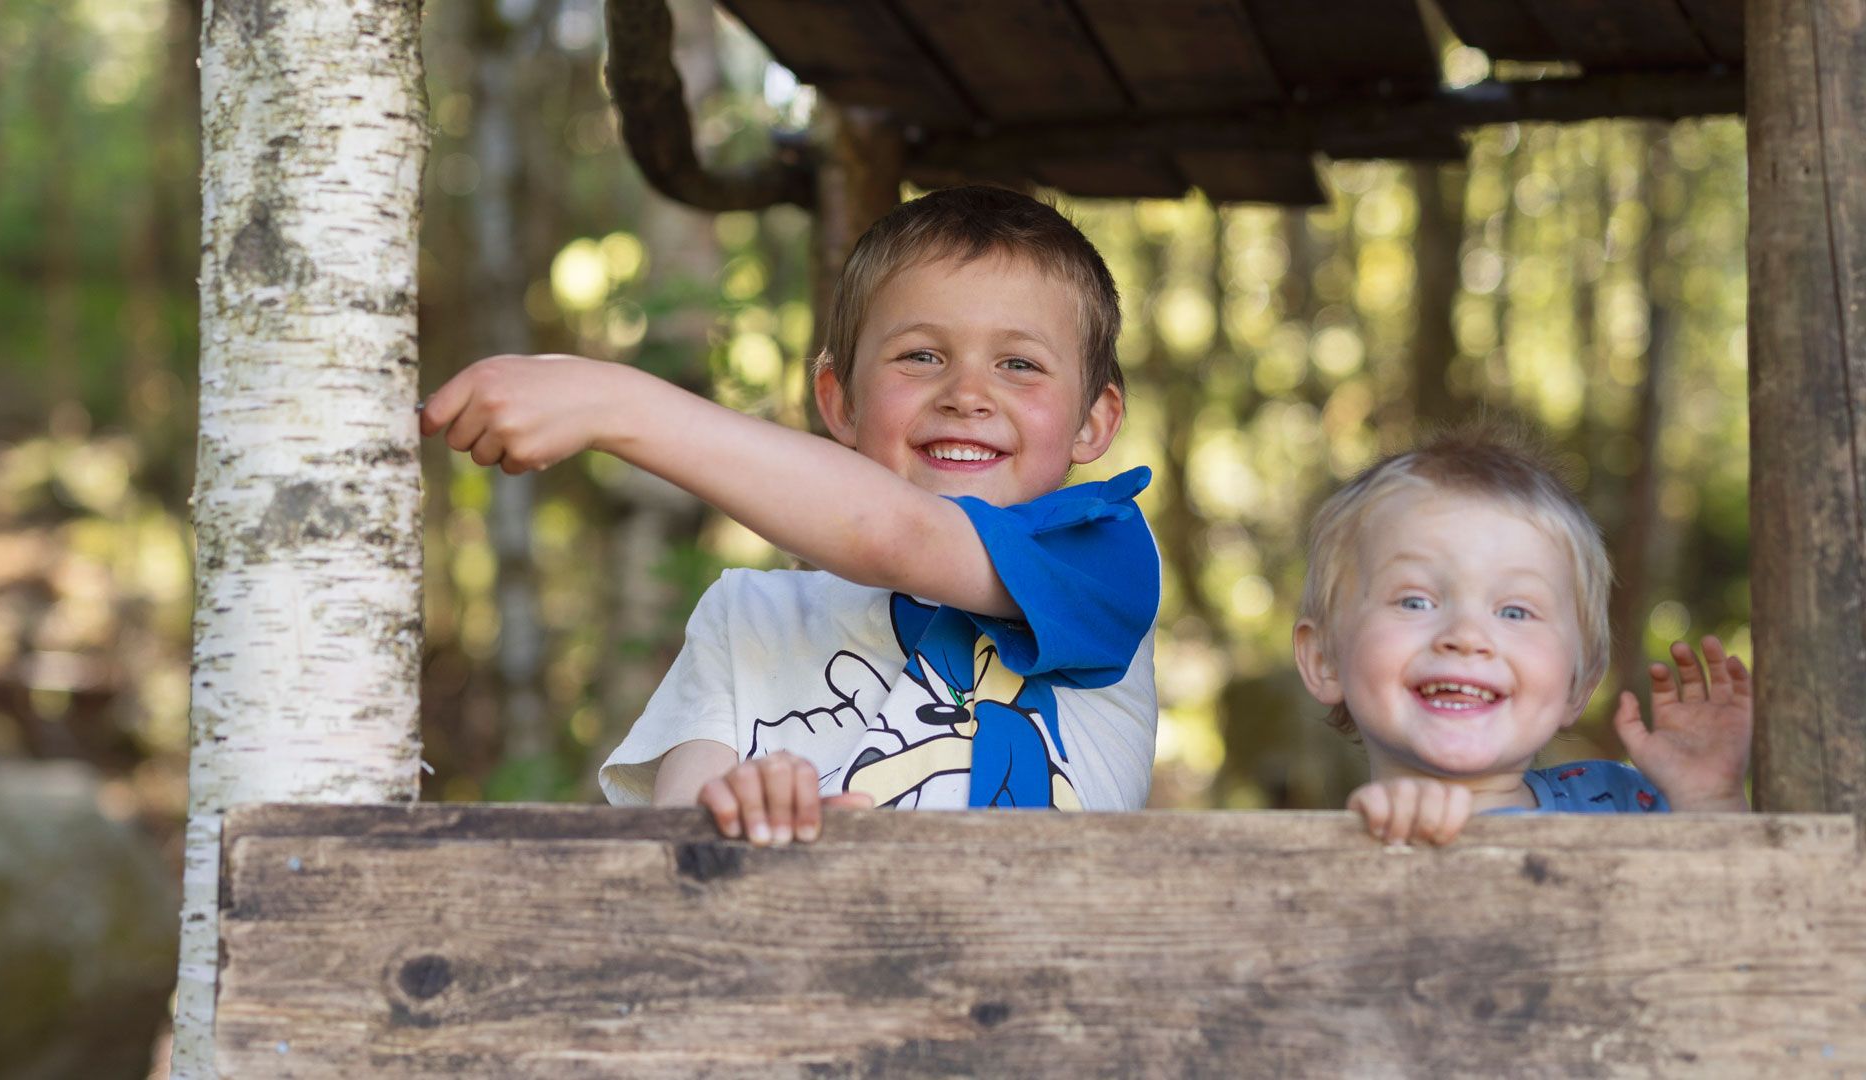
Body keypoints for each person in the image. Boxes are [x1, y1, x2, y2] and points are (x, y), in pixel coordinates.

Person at [421, 186, 1158, 846]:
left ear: (1094, 423)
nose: (967, 394)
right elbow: (669, 854)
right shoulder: (746, 616)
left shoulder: (1099, 552)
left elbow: (896, 533)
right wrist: (732, 820)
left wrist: (613, 403)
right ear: (838, 399)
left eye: (1019, 364)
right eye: (922, 356)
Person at [1290, 426, 1752, 846]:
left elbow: (1750, 922)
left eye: (1515, 611)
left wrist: (1709, 800)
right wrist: (1386, 845)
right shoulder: (1348, 843)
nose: (1466, 636)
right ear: (1323, 658)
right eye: (1415, 601)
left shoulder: (1629, 805)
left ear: (1579, 682)